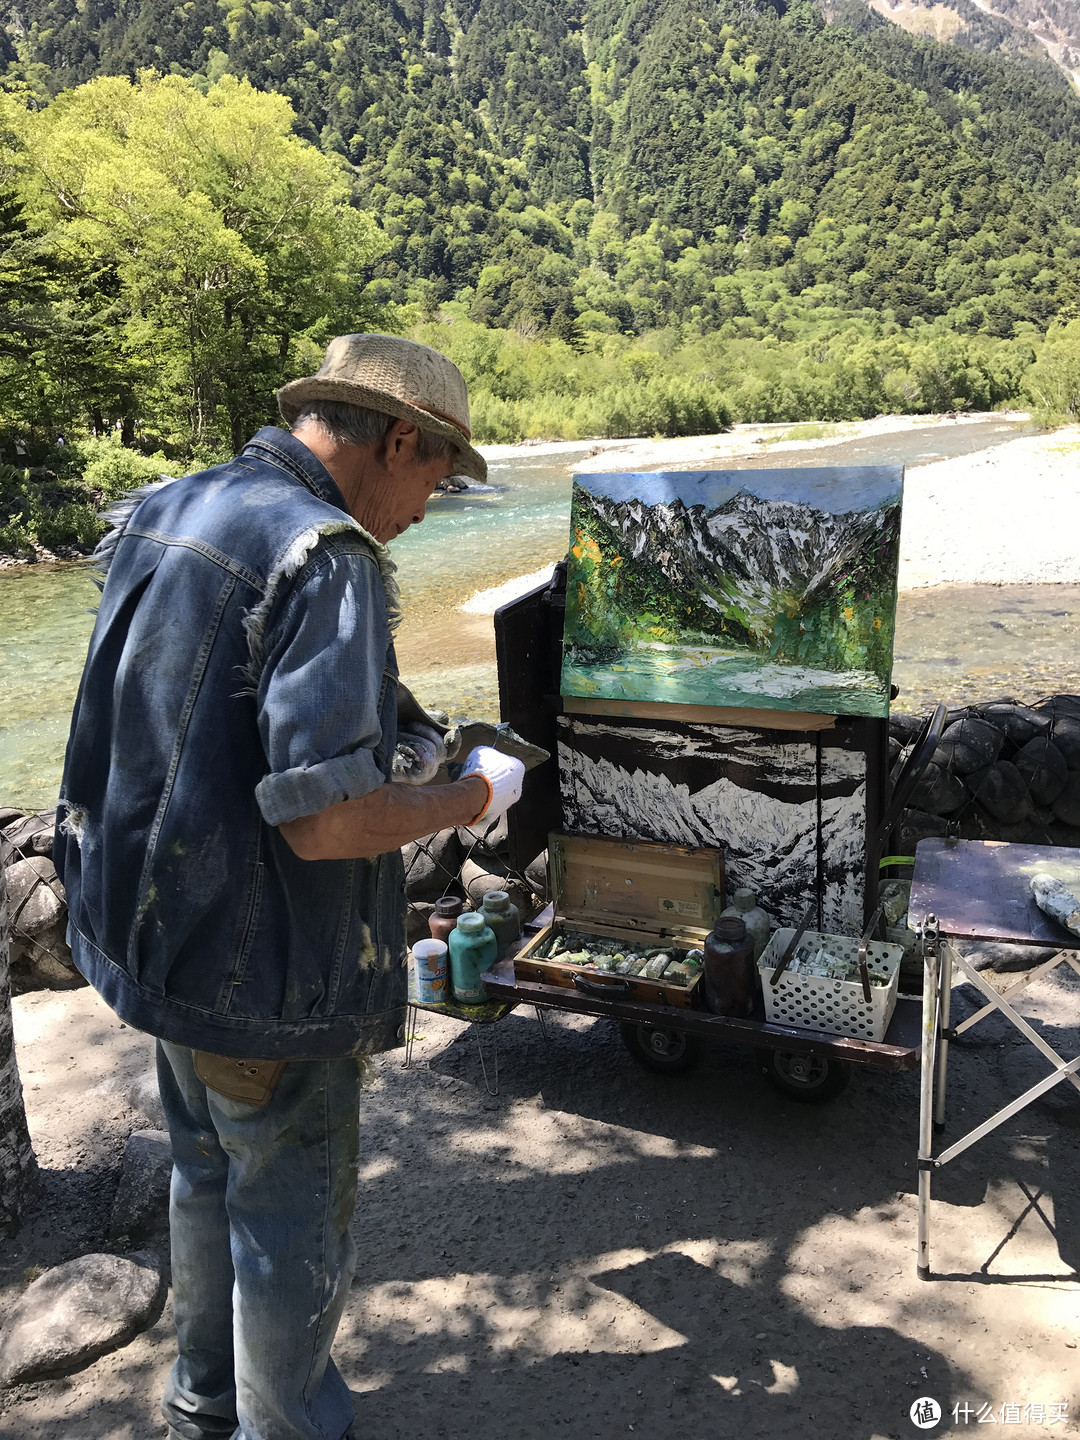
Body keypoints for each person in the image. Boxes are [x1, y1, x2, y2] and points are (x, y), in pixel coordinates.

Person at [53, 334, 526, 1440]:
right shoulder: (331, 555)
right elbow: (328, 827)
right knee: (288, 1223)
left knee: (207, 1178)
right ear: (398, 439)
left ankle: (200, 1408)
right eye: (437, 478)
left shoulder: (172, 504)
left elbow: (191, 714)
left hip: (155, 937)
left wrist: (402, 736)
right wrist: (472, 800)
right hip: (266, 969)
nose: (429, 506)